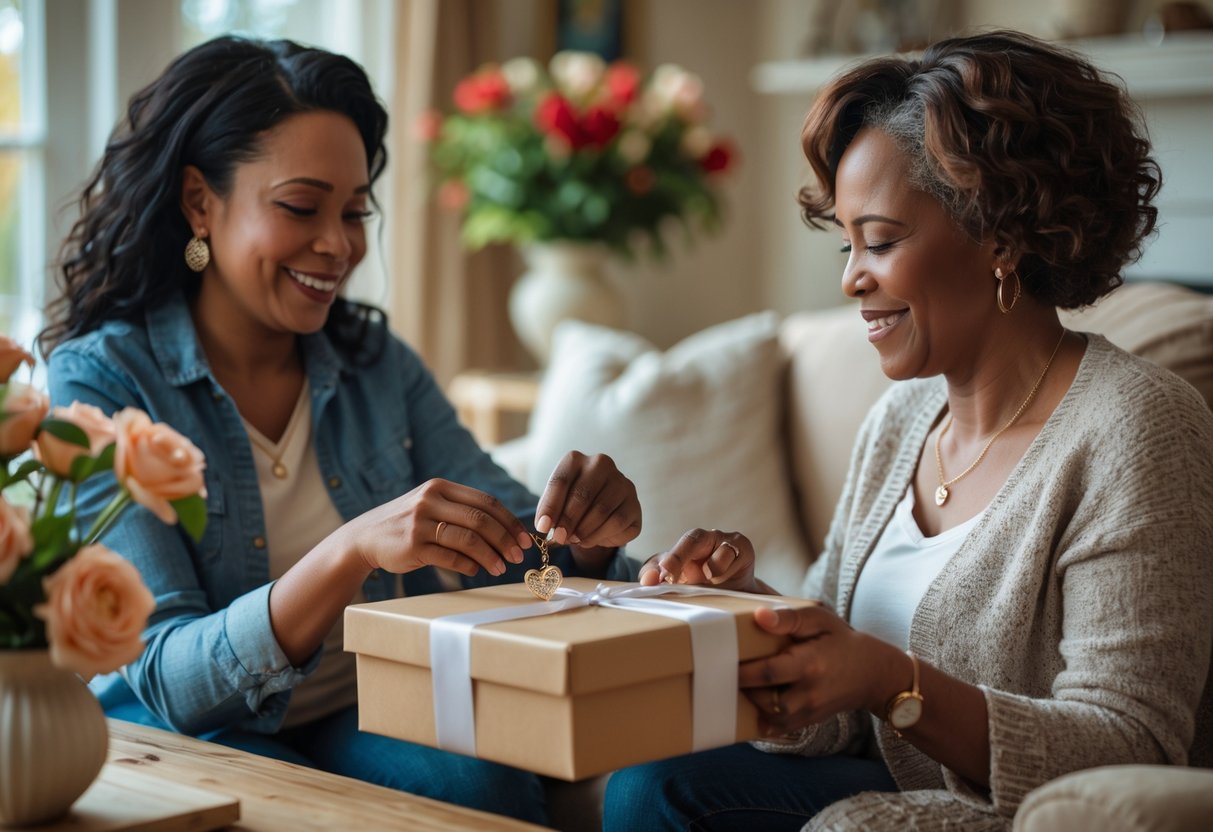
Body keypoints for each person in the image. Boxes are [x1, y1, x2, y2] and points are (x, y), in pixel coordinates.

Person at [606, 30, 1213, 830]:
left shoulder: (1138, 427)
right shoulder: (899, 420)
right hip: (880, 787)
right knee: (649, 782)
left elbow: (1130, 750)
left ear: (1001, 235)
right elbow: (834, 713)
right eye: (847, 242)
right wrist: (751, 616)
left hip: (1017, 815)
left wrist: (893, 683)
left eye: (881, 241)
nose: (852, 277)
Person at [40, 36, 641, 826]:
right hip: (189, 725)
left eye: (355, 211)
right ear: (199, 203)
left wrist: (588, 537)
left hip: (361, 703)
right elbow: (169, 677)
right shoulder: (104, 379)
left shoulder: (374, 362)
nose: (339, 244)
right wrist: (351, 548)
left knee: (484, 787)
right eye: (300, 207)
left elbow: (524, 544)